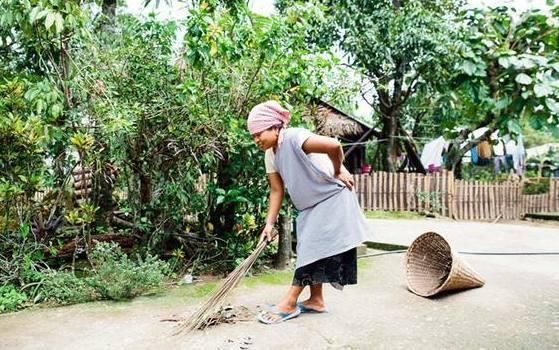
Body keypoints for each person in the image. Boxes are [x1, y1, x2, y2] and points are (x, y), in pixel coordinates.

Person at [246, 100, 369, 324]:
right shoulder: (270, 154)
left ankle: (290, 301)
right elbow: (276, 190)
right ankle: (316, 300)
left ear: (275, 127)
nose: (256, 140)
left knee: (311, 249)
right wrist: (269, 224)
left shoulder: (294, 137)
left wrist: (338, 169)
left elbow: (333, 145)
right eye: (253, 136)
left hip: (332, 197)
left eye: (258, 133)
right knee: (311, 248)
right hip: (310, 206)